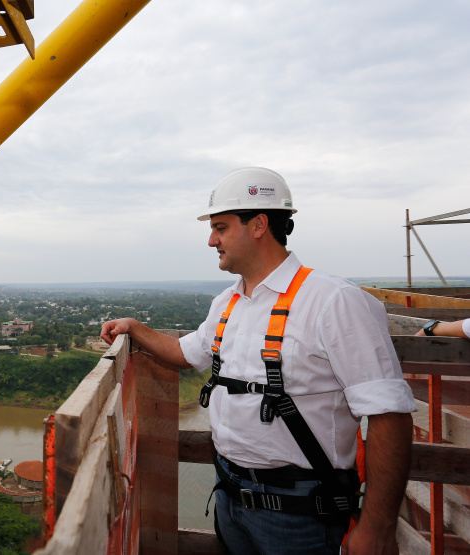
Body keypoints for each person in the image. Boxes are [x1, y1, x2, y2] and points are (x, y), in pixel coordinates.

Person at [100, 167, 416, 555]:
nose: (211, 240)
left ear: (259, 225)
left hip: (301, 515)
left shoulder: (333, 300)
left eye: (220, 227)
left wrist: (378, 526)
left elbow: (389, 414)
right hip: (229, 498)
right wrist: (135, 328)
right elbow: (186, 352)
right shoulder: (227, 303)